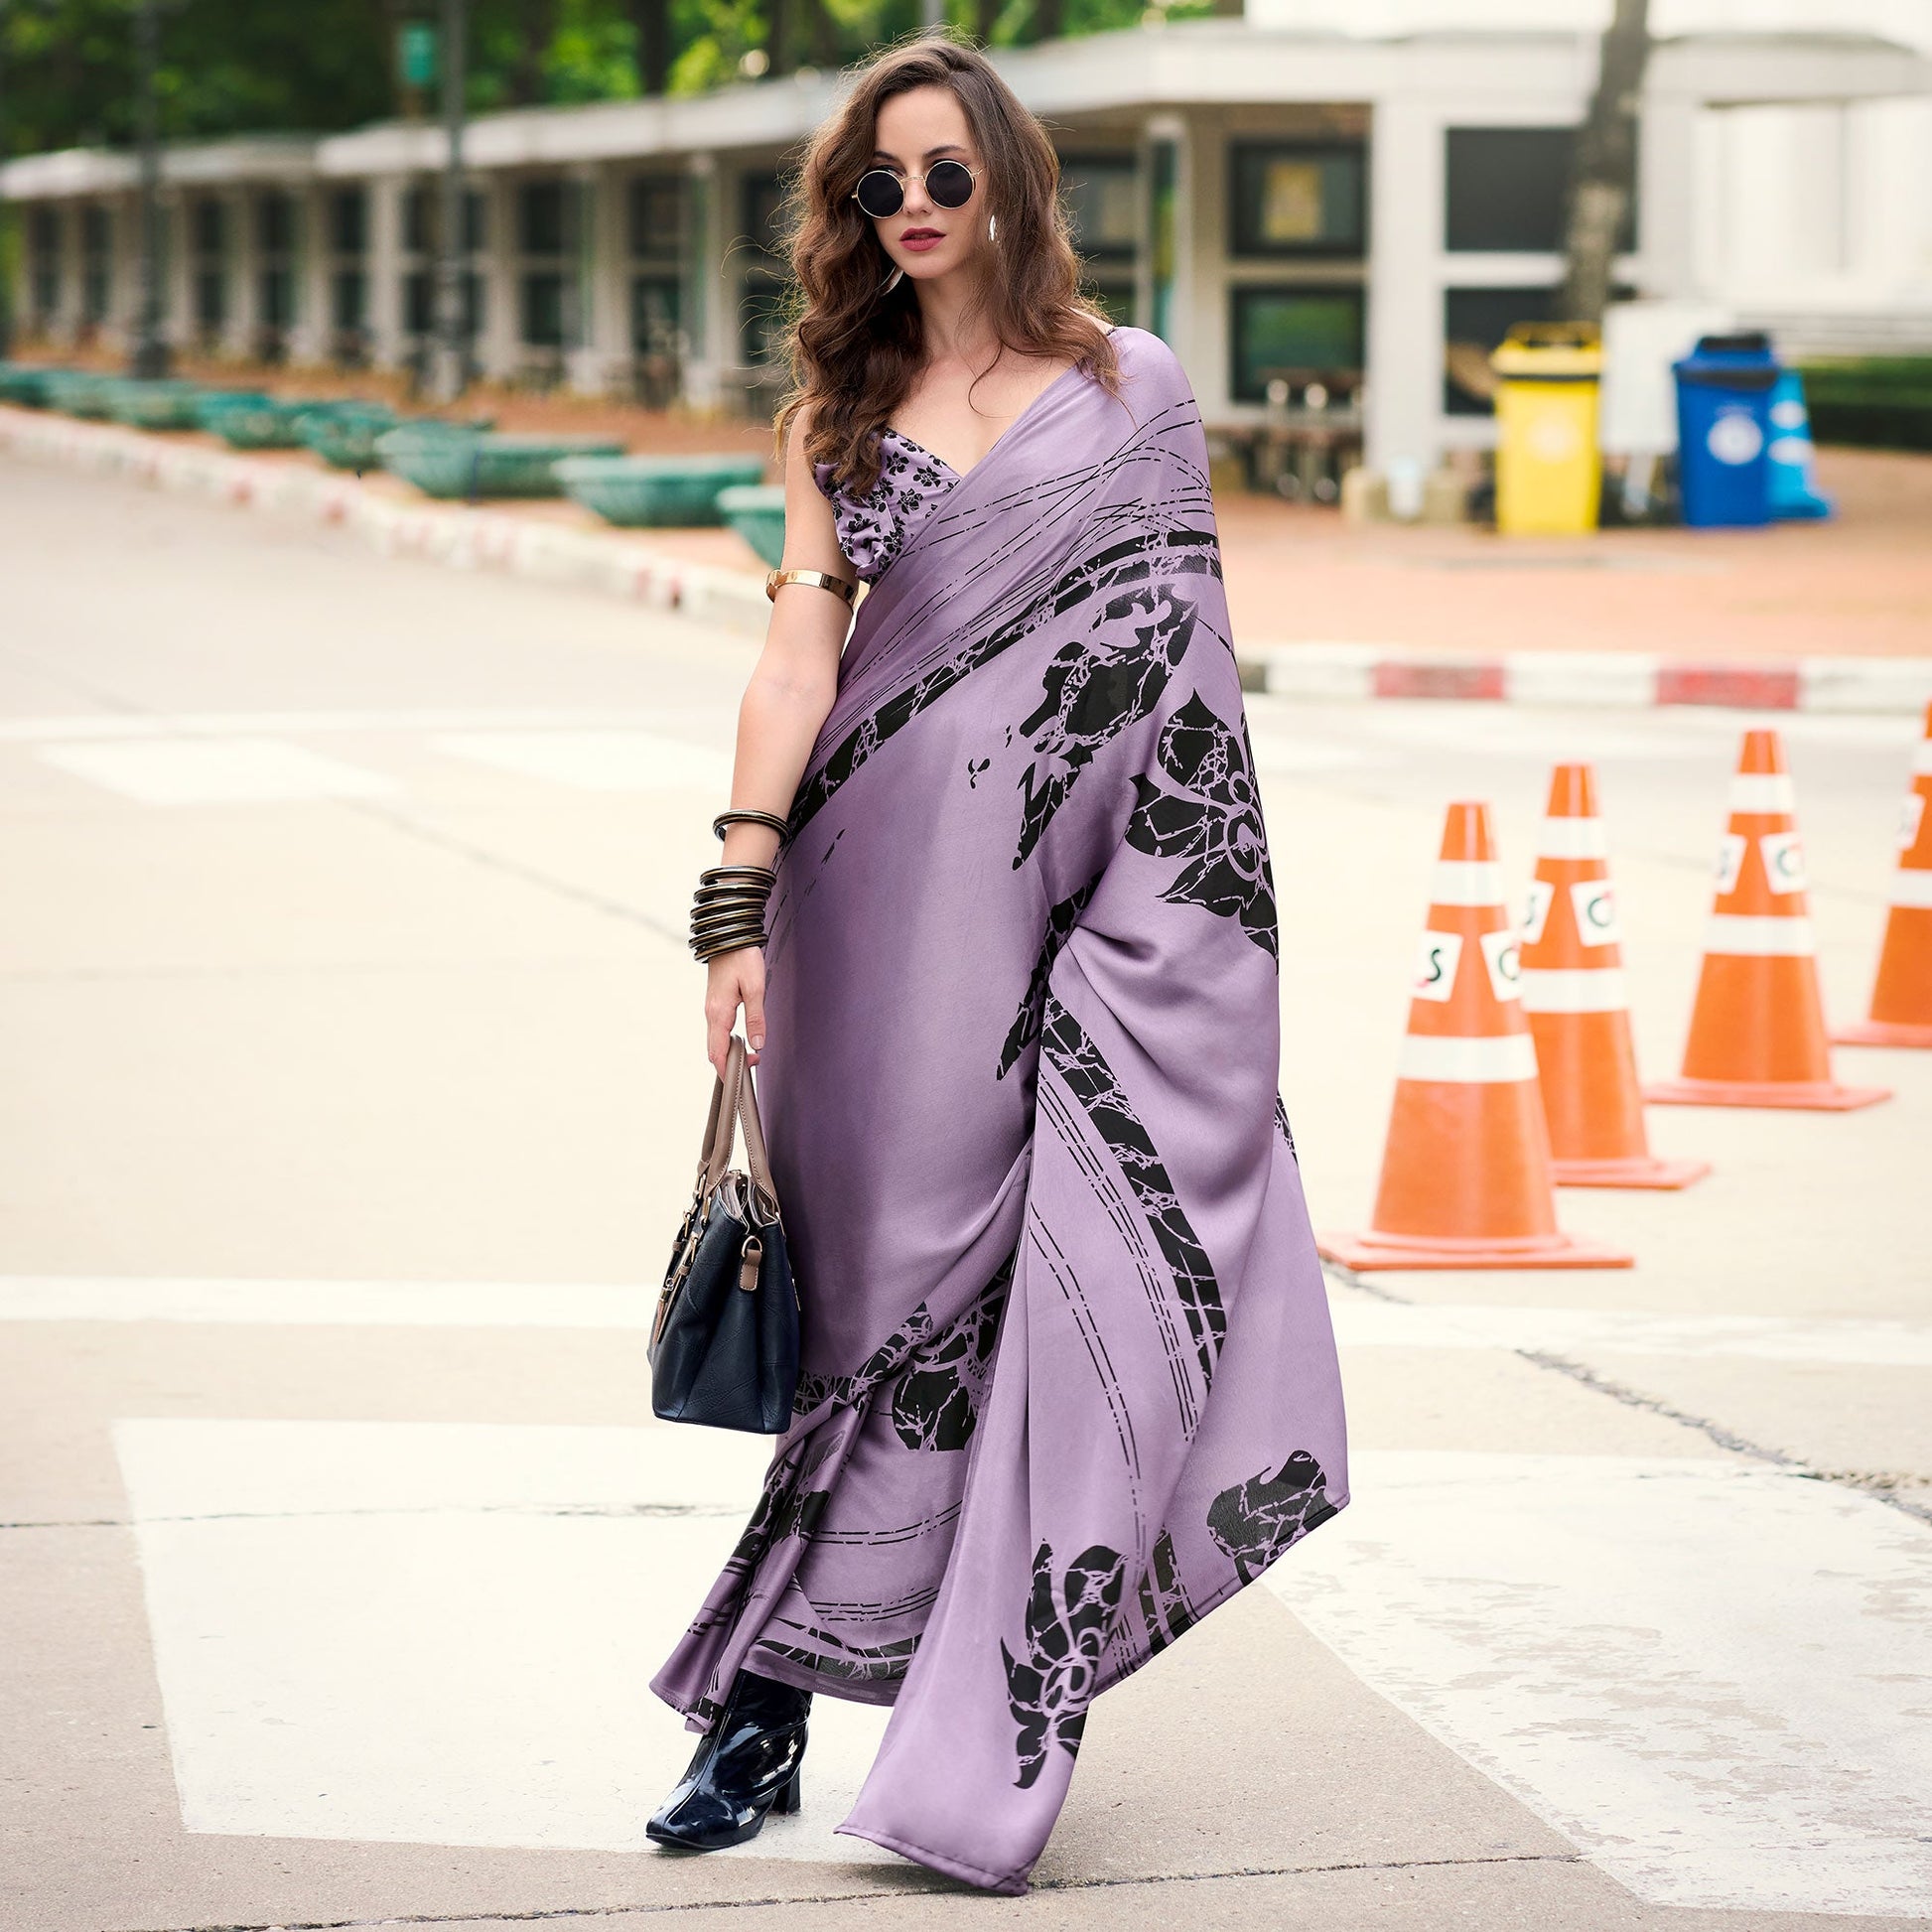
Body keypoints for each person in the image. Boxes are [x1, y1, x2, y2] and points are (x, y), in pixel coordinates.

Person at [647, 35, 1349, 1896]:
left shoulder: (1129, 390)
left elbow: (1177, 687)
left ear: (1012, 182)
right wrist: (737, 896)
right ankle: (768, 1709)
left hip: (1094, 917)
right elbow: (797, 661)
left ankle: (974, 1719)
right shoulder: (833, 413)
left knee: (1062, 1289)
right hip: (873, 918)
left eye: (945, 175)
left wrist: (1168, 928)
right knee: (873, 1309)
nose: (914, 212)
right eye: (878, 185)